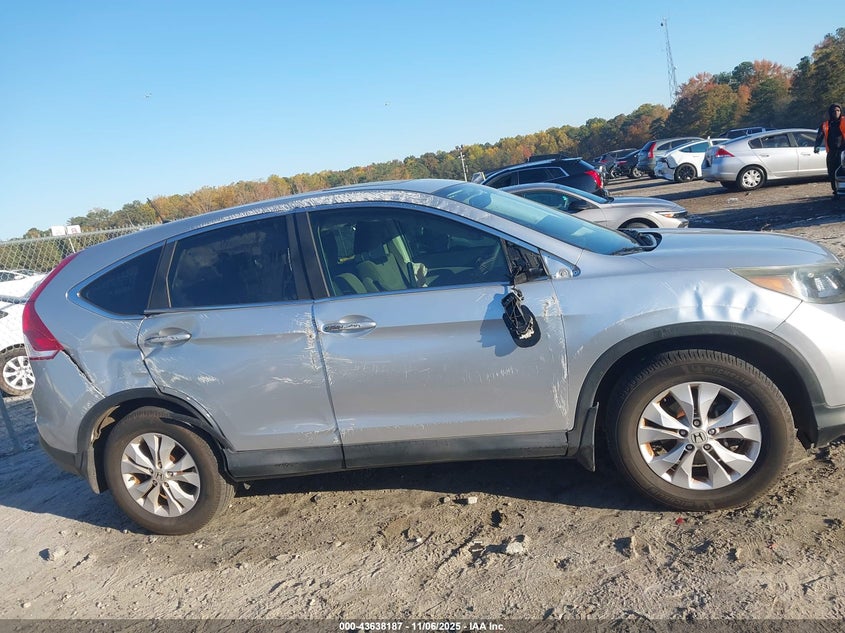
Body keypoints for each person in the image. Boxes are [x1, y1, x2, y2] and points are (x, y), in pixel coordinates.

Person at [814, 103, 845, 199]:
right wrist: (817, 146)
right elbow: (819, 136)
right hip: (832, 152)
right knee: (832, 172)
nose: (836, 112)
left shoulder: (844, 121)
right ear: (830, 113)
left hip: (843, 152)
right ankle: (835, 191)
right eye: (834, 111)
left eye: (838, 110)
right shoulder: (825, 124)